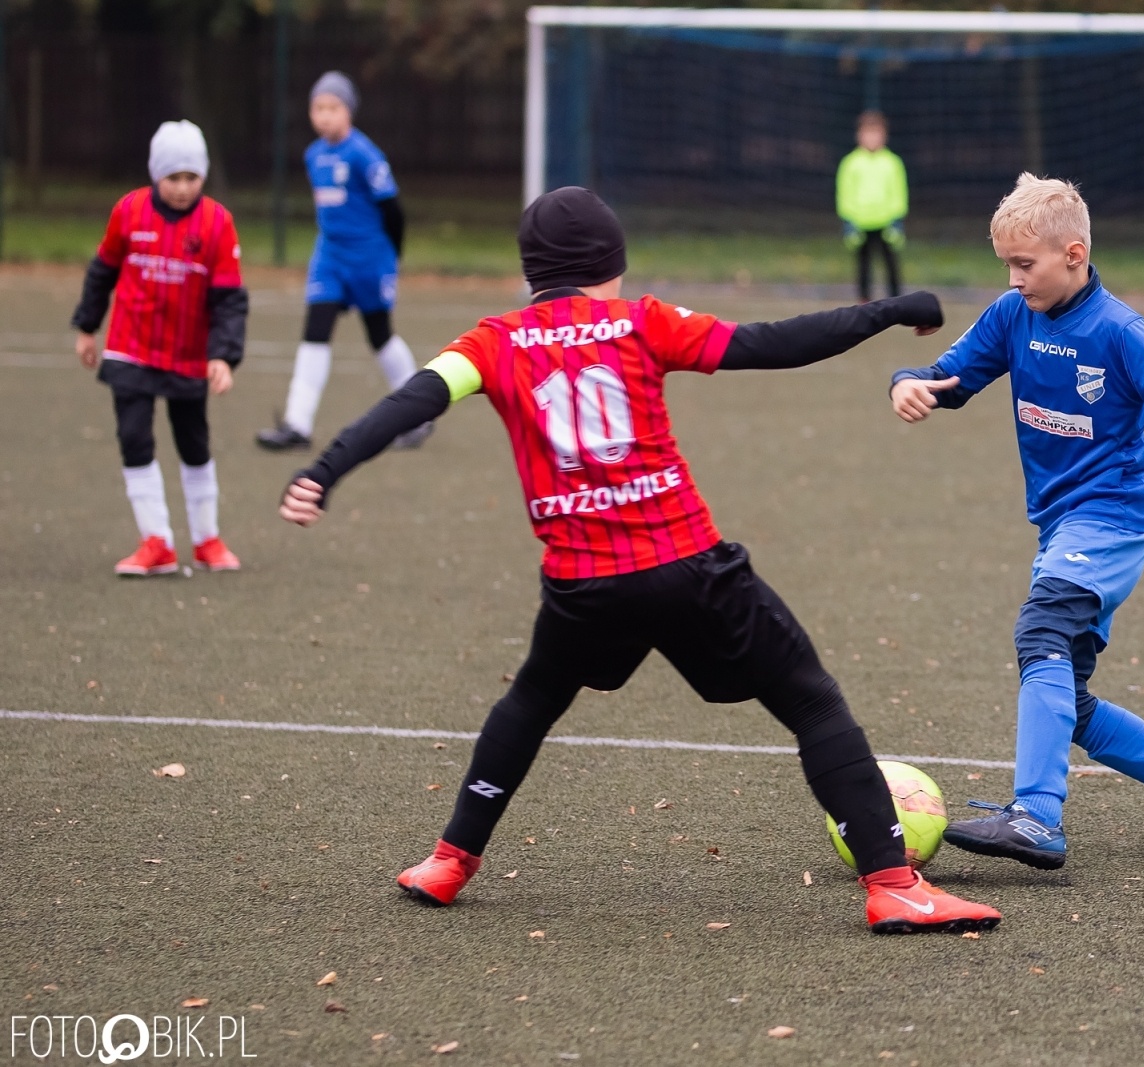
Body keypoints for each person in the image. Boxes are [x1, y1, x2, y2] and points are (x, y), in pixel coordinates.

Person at [277, 186, 1002, 936]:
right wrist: (885, 312)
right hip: (687, 565)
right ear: (609, 264)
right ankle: (894, 885)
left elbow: (411, 402)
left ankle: (450, 859)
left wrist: (323, 471)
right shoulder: (640, 322)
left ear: (532, 272)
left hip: (582, 585)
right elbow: (768, 343)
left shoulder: (490, 343)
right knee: (811, 699)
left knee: (529, 701)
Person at [889, 173, 1144, 870]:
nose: (1014, 277)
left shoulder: (1121, 331)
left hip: (1113, 519)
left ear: (1074, 253)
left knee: (1040, 632)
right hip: (1063, 527)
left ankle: (1034, 814)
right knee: (1070, 698)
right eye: (1007, 264)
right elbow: (949, 377)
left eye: (1025, 264)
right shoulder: (1012, 315)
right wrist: (909, 383)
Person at [71, 120, 248, 576]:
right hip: (130, 348)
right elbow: (102, 271)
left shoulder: (217, 223)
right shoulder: (128, 212)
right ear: (156, 175)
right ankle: (157, 543)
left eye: (192, 178)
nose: (183, 188)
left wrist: (223, 356)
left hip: (188, 355)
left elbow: (229, 299)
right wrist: (87, 327)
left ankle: (207, 539)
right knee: (134, 437)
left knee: (193, 442)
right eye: (174, 178)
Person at [257, 71, 427, 451]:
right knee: (315, 332)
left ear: (348, 111)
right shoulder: (313, 155)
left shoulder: (365, 155)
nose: (324, 115)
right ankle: (297, 425)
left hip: (369, 259)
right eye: (318, 107)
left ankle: (420, 415)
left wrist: (391, 258)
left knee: (379, 335)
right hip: (330, 258)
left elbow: (393, 211)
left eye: (333, 107)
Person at [836, 110, 908, 303]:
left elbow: (898, 192)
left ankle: (896, 301)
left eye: (876, 133)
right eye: (868, 133)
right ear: (859, 135)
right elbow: (845, 193)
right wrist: (849, 221)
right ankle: (864, 300)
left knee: (891, 263)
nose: (872, 138)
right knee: (863, 265)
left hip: (885, 223)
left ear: (884, 135)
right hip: (860, 223)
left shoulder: (892, 163)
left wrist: (896, 220)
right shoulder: (850, 163)